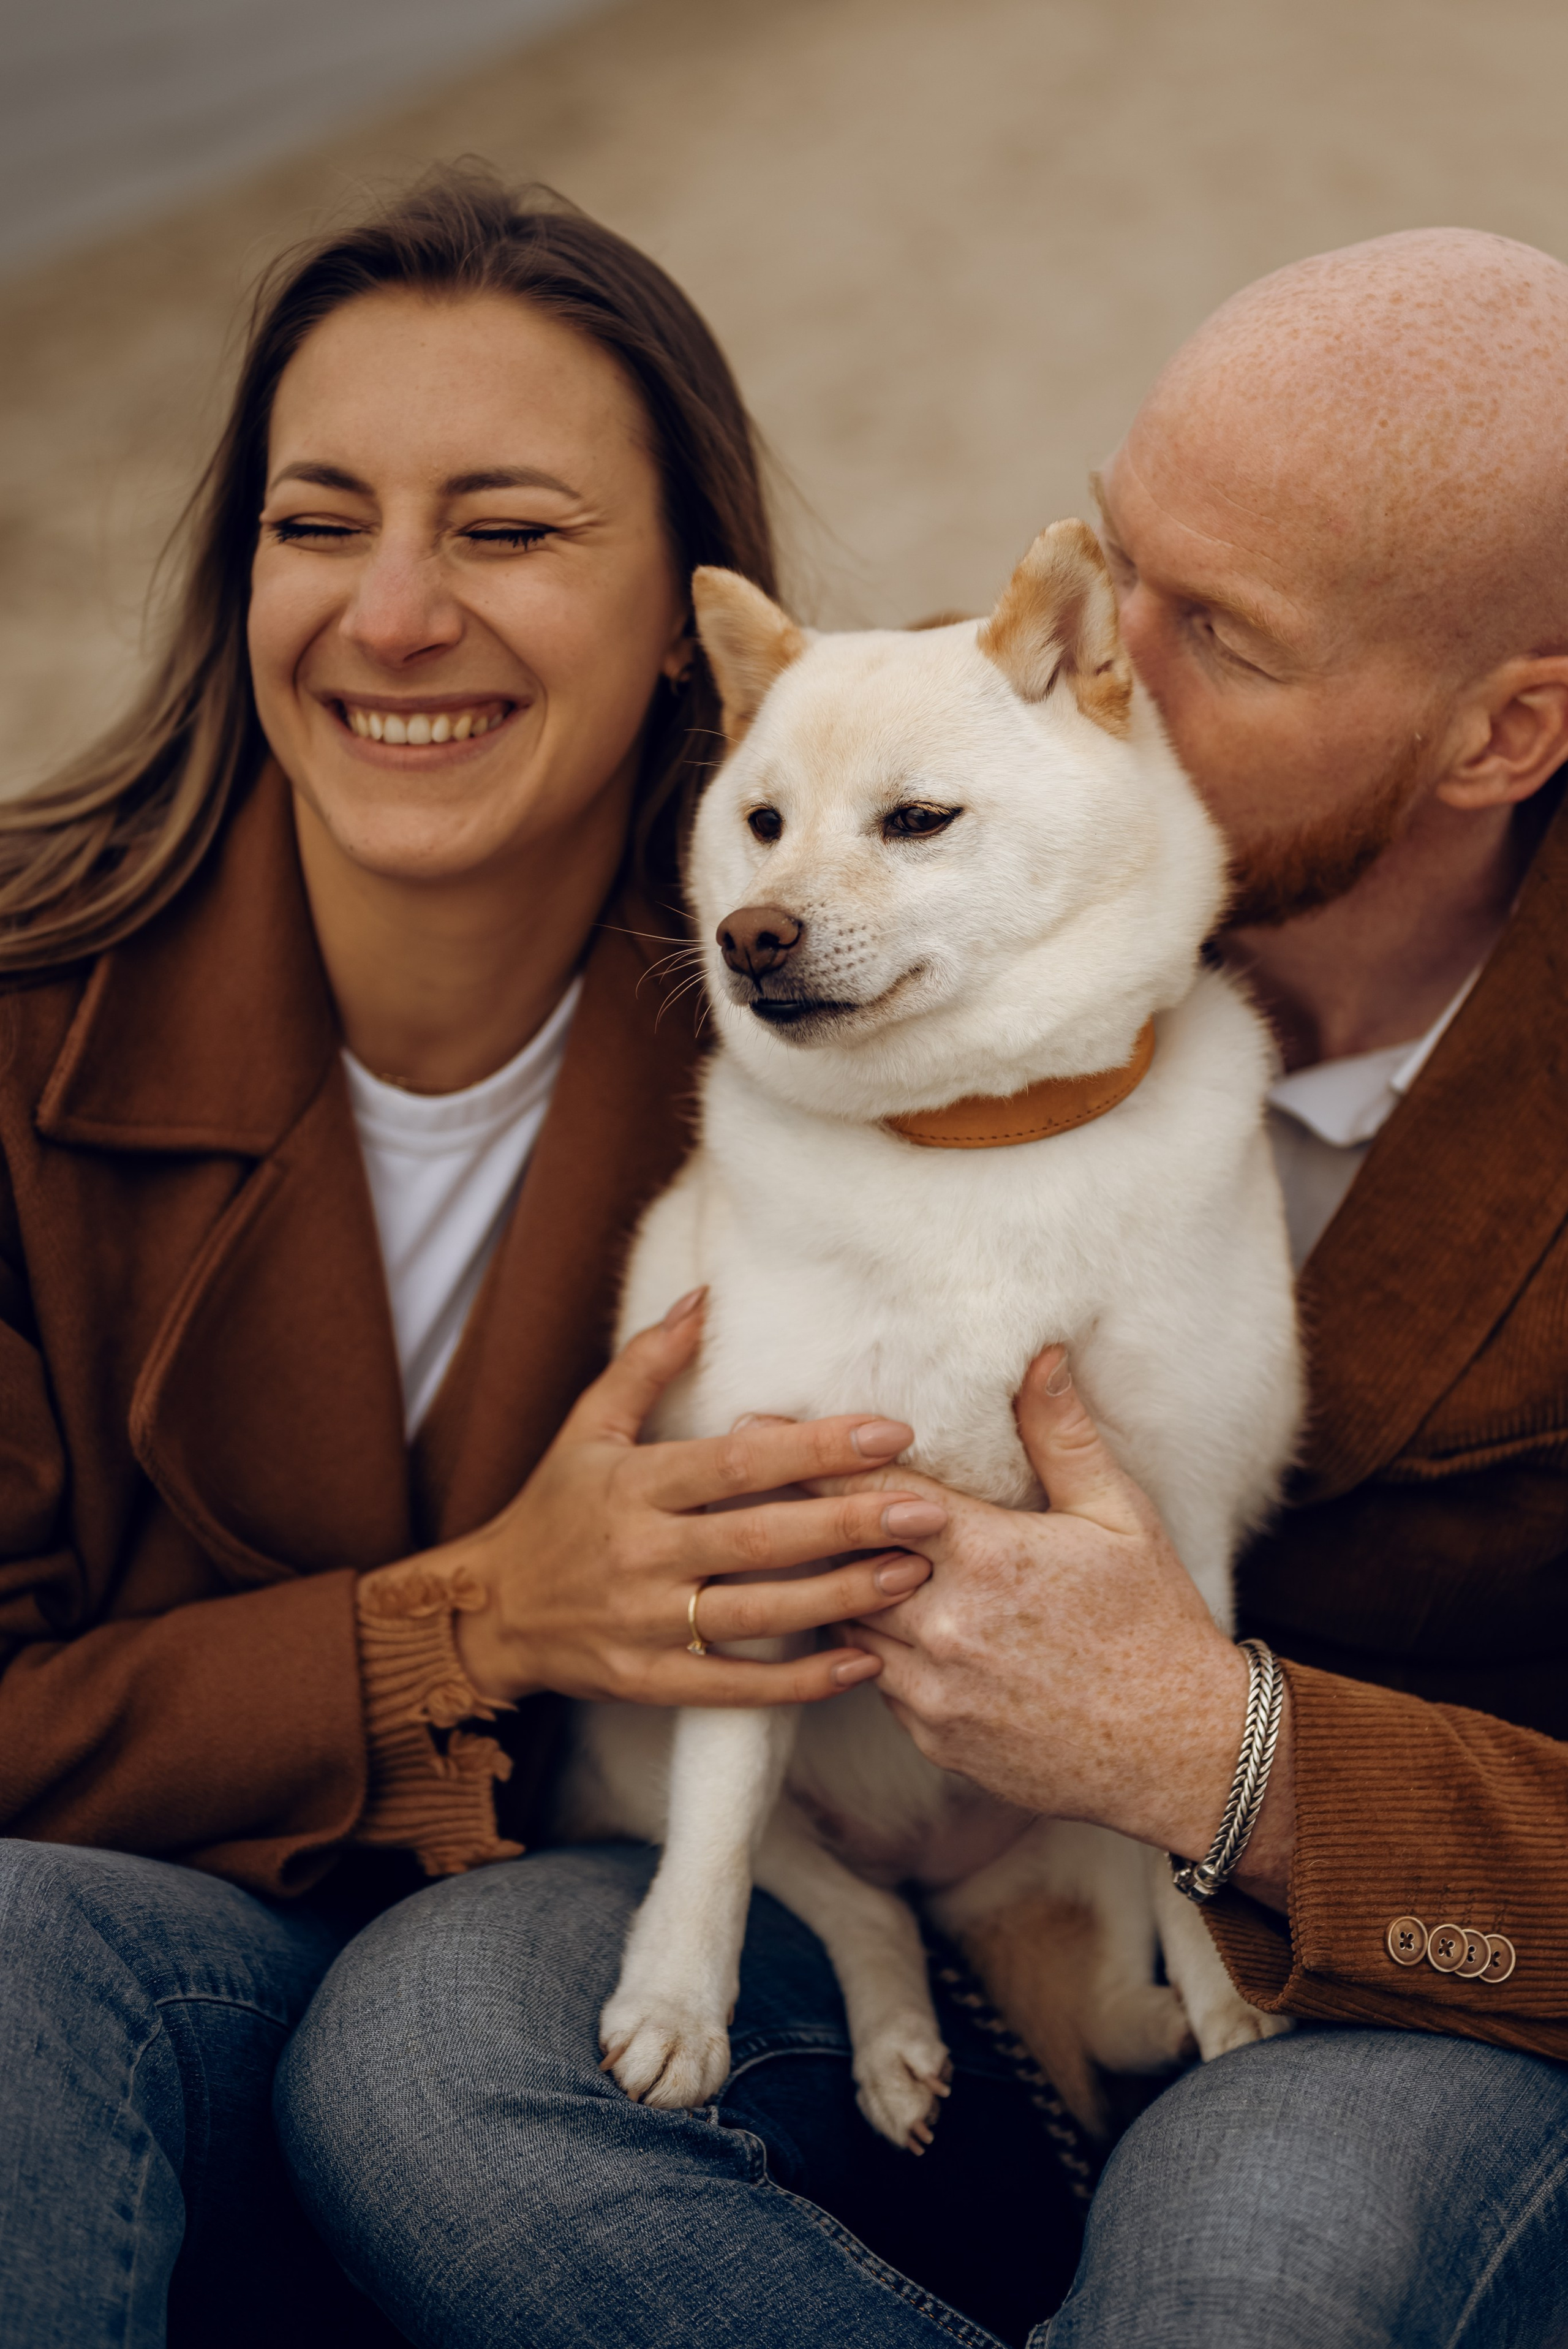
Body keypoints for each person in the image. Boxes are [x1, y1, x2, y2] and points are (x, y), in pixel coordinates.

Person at [276, 228, 1568, 2345]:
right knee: (431, 2060)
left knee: (1251, 2275)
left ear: (1504, 730)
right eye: (1117, 557)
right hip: (830, 1834)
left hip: (1386, 1971)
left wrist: (1230, 1759)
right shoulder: (936, 867)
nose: (1091, 655)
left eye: (1221, 633)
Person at [0, 168, 1035, 2348]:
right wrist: (470, 1619)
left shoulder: (878, 1016)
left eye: (507, 530)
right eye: (317, 521)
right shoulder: (20, 1024)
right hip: (145, 1966)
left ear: (688, 617)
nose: (392, 616)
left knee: (438, 2048)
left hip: (648, 1920)